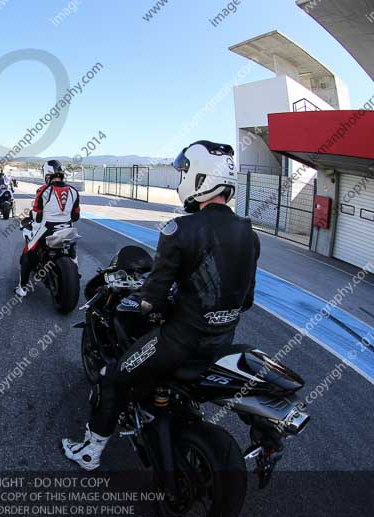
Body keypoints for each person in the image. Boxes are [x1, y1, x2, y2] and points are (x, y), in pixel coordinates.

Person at [61, 140, 260, 471]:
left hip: (180, 343)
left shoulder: (180, 229)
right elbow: (248, 299)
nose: (181, 178)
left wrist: (155, 305)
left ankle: (89, 452)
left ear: (199, 177)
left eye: (184, 171)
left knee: (113, 376)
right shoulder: (248, 233)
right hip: (221, 341)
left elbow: (151, 302)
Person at [16, 160, 80, 297]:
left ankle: (22, 288)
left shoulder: (42, 191)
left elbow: (37, 216)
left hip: (47, 229)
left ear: (47, 174)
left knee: (27, 253)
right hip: (68, 229)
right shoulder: (74, 191)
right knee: (73, 250)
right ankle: (75, 270)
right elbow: (76, 216)